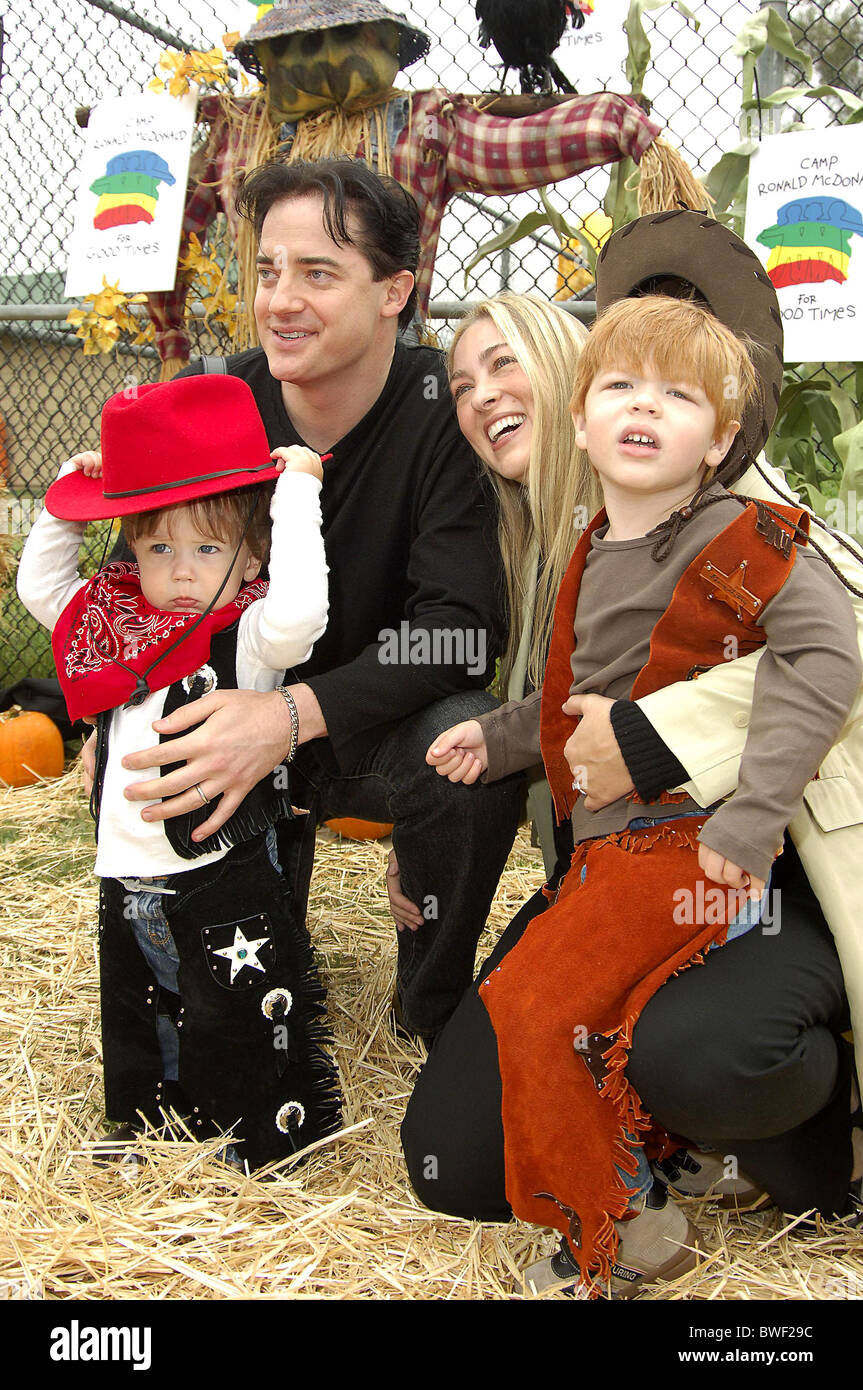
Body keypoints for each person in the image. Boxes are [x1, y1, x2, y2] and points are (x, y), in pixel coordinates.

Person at [401, 212, 863, 1298]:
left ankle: (674, 1186)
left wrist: (667, 753)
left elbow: (837, 644)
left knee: (634, 1035)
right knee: (460, 1157)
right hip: (614, 864)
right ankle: (658, 1147)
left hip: (740, 868)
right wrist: (505, 734)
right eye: (624, 375)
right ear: (586, 388)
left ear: (723, 423)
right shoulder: (583, 535)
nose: (646, 399)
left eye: (682, 379)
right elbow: (571, 697)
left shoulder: (745, 523)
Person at [79, 157, 522, 1042]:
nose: (281, 299)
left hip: (369, 723)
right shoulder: (220, 403)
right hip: (227, 709)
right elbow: (137, 584)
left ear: (396, 290)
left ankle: (427, 1014)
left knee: (466, 744)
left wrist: (289, 716)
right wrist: (112, 713)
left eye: (318, 273)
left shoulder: (444, 411)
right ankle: (198, 1000)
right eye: (268, 271)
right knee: (147, 755)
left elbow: (461, 631)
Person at [17, 374, 341, 1169]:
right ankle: (152, 1125)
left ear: (251, 551)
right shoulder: (111, 623)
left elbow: (305, 612)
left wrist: (297, 495)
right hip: (126, 873)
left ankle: (266, 1139)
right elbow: (39, 585)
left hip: (222, 873)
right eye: (159, 547)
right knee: (142, 1009)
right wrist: (73, 491)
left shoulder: (255, 634)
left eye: (207, 547)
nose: (183, 571)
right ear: (131, 547)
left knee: (239, 1007)